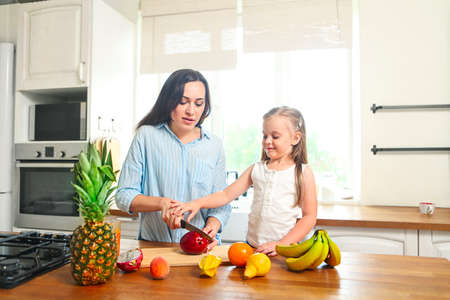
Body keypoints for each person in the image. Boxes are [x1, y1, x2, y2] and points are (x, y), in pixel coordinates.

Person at [172, 106, 317, 256]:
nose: (267, 141)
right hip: (252, 248)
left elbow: (309, 217)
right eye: (265, 136)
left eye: (275, 137)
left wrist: (281, 244)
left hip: (284, 250)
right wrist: (197, 203)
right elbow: (226, 195)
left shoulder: (303, 172)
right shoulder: (257, 169)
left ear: (295, 138)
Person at [115, 69, 231, 248]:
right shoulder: (146, 136)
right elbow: (124, 196)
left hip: (200, 249)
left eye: (199, 103)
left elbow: (221, 203)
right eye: (183, 102)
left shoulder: (214, 145)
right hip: (154, 246)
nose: (191, 111)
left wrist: (212, 226)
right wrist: (160, 203)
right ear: (168, 102)